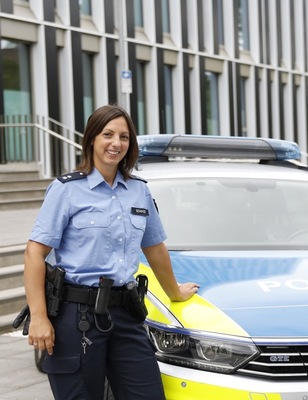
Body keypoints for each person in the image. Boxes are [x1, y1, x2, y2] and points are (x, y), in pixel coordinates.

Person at [22, 104, 199, 399]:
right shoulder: (66, 190)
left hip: (126, 312)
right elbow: (33, 254)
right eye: (108, 134)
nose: (116, 143)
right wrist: (39, 317)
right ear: (92, 139)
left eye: (124, 137)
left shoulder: (138, 190)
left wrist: (175, 292)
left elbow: (155, 248)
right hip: (76, 316)